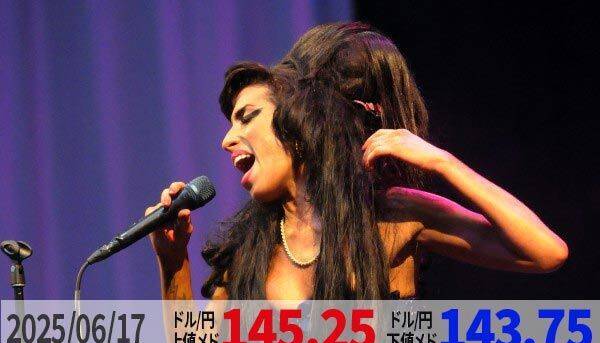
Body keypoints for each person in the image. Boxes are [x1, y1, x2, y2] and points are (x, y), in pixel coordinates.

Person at [145, 22, 568, 303]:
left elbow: (545, 252)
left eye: (247, 117)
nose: (226, 140)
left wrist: (443, 163)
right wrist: (173, 261)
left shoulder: (393, 216)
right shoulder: (246, 252)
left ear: (299, 121)